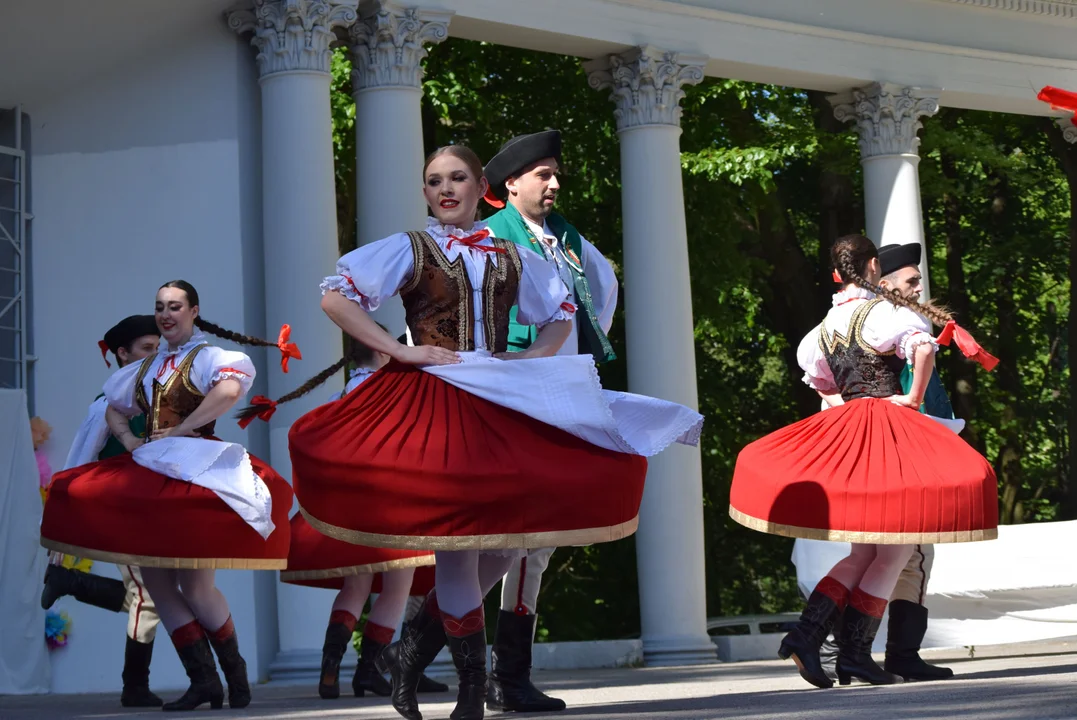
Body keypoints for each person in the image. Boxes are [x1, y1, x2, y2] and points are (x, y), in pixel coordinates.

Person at [244, 144, 702, 720]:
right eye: (434, 181)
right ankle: (469, 694)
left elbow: (561, 313)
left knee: (515, 536)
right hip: (437, 398)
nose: (445, 189)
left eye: (457, 178)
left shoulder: (511, 252)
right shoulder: (411, 247)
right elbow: (336, 295)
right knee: (460, 547)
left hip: (501, 393)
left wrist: (527, 361)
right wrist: (398, 352)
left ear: (479, 183)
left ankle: (410, 654)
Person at [729, 234, 998, 689]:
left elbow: (821, 382)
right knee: (893, 546)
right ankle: (845, 650)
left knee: (868, 549)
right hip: (888, 429)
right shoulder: (887, 313)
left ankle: (814, 638)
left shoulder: (825, 325)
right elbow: (925, 349)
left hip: (853, 427)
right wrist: (909, 400)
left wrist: (851, 414)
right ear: (874, 266)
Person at [40, 281, 296, 711]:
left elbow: (230, 391)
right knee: (157, 582)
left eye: (174, 306)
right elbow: (112, 406)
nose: (165, 313)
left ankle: (235, 677)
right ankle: (205, 682)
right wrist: (129, 438)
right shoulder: (146, 368)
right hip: (152, 468)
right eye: (160, 307)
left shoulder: (210, 356)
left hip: (195, 469)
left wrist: (181, 429)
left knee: (196, 585)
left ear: (193, 311)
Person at [482, 129, 619, 713]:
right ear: (510, 184)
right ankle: (432, 647)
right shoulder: (488, 239)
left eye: (556, 173)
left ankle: (508, 675)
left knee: (537, 542)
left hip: (558, 396)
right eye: (543, 174)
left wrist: (572, 360)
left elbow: (603, 293)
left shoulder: (567, 239)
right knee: (505, 537)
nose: (555, 183)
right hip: (510, 397)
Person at [274, 335, 439, 701]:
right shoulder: (396, 391)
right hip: (392, 502)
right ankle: (368, 672)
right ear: (382, 350)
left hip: (350, 507)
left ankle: (329, 668)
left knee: (356, 586)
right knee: (397, 587)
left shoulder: (340, 398)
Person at [40, 315, 164, 707]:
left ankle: (72, 583)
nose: (154, 357)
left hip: (152, 513)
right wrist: (63, 522)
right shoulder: (106, 406)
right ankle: (135, 686)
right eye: (146, 349)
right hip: (119, 511)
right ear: (122, 354)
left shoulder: (161, 399)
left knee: (158, 598)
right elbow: (79, 461)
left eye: (157, 350)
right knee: (150, 596)